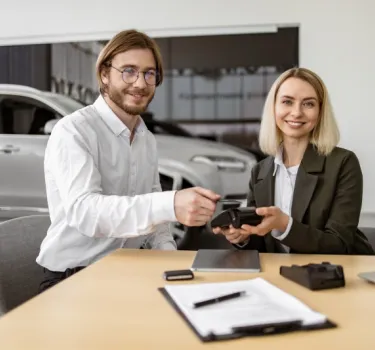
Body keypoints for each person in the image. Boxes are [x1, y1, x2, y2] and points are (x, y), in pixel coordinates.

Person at [36, 29, 221, 292]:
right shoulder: (73, 131)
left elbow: (155, 218)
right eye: (129, 71)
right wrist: (170, 203)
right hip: (74, 277)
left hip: (128, 272)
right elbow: (86, 212)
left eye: (149, 73)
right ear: (104, 74)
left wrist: (172, 261)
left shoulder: (145, 137)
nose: (140, 83)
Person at [213, 67, 374, 255]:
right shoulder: (260, 171)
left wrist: (285, 225)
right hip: (281, 276)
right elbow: (262, 246)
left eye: (308, 104)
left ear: (320, 112)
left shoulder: (344, 163)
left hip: (338, 274)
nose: (296, 113)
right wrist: (243, 237)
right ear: (274, 107)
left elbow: (338, 244)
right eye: (287, 102)